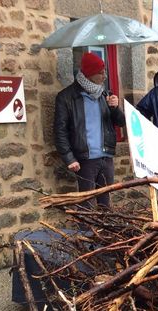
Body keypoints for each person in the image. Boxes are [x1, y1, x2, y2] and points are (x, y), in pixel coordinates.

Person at [54, 52, 126, 208]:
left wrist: (115, 108)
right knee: (86, 206)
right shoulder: (66, 97)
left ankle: (105, 233)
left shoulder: (105, 94)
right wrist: (69, 158)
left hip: (105, 158)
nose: (105, 76)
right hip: (85, 160)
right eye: (101, 72)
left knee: (105, 204)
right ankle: (86, 233)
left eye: (105, 71)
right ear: (89, 73)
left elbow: (121, 122)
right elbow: (60, 131)